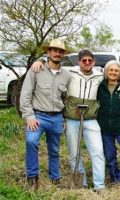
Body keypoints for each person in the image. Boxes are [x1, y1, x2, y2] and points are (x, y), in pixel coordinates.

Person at [20, 39, 71, 189]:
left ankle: (55, 177)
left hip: (57, 118)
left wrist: (65, 118)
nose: (57, 53)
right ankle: (32, 177)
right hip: (38, 116)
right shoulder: (36, 70)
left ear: (63, 55)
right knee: (31, 142)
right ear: (48, 52)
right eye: (54, 50)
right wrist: (29, 117)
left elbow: (66, 98)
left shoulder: (66, 76)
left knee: (54, 150)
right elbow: (25, 94)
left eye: (60, 51)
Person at [62, 49, 106, 191]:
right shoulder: (69, 73)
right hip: (72, 119)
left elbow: (118, 72)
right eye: (84, 60)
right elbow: (53, 70)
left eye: (90, 60)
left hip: (90, 118)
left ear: (93, 62)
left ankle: (99, 185)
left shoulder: (100, 75)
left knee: (98, 151)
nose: (87, 63)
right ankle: (81, 184)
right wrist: (39, 62)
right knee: (75, 152)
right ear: (79, 61)